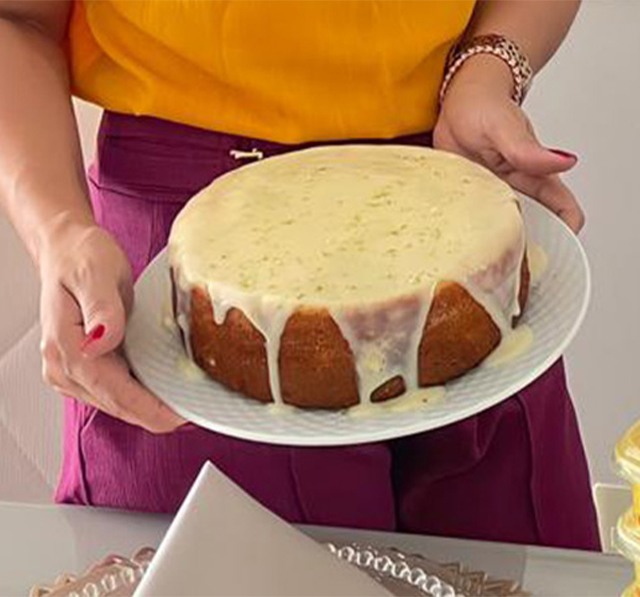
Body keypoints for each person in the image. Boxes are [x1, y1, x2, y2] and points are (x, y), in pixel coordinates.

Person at [0, 0, 599, 549]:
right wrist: (58, 230)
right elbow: (18, 17)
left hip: (450, 209)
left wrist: (488, 69)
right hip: (196, 269)